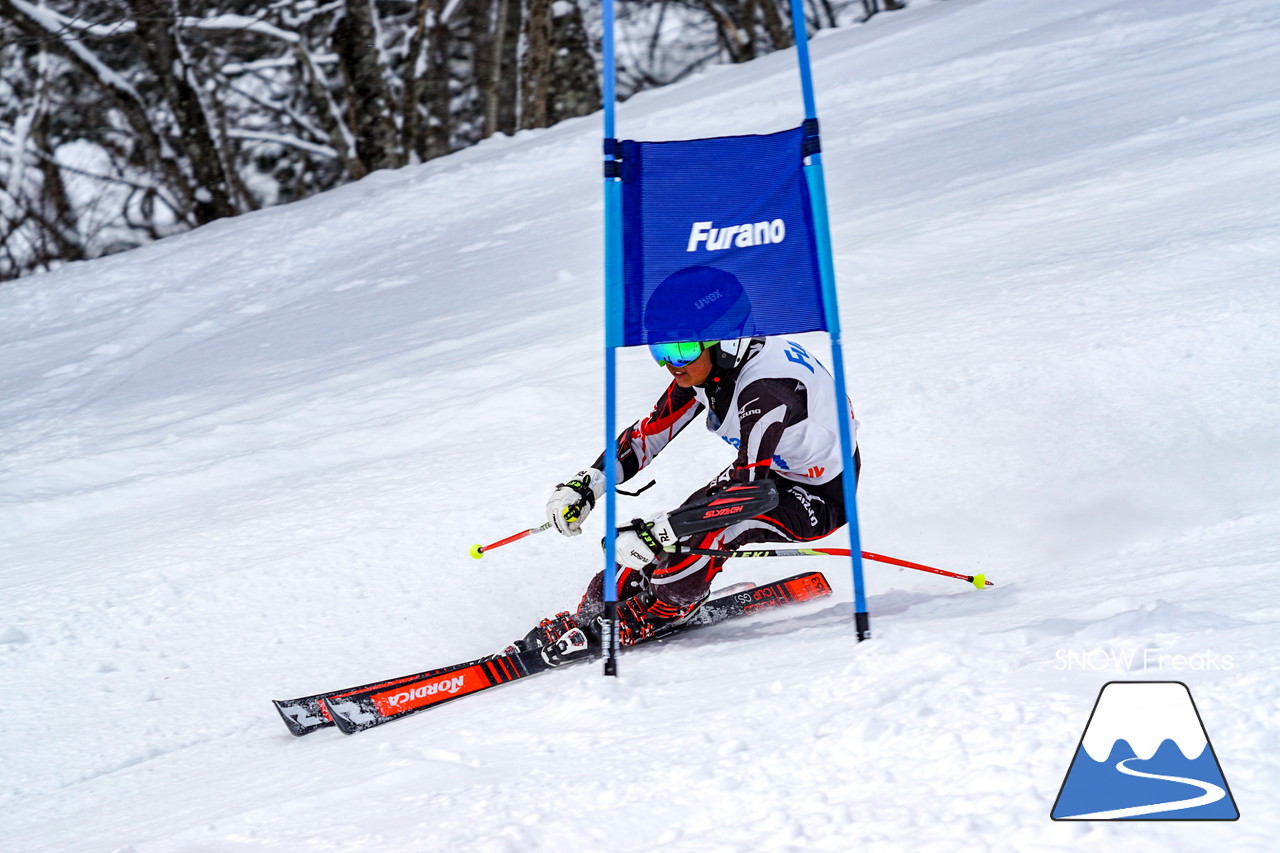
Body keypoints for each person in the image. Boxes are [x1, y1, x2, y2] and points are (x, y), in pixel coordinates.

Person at [514, 333, 860, 666]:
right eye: (660, 350)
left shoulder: (765, 390)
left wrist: (660, 532)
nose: (670, 363)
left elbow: (750, 495)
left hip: (819, 494)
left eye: (681, 350)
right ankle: (593, 611)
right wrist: (587, 485)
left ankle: (670, 607)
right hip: (771, 471)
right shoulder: (711, 369)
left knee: (709, 529)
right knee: (670, 530)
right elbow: (646, 437)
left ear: (725, 344)